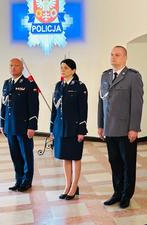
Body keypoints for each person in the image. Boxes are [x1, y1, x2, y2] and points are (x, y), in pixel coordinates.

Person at [98, 46, 143, 208]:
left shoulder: (133, 77)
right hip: (109, 129)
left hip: (125, 129)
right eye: (111, 54)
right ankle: (117, 193)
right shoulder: (105, 76)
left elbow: (137, 105)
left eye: (117, 55)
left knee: (127, 163)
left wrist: (134, 128)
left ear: (125, 58)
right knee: (114, 162)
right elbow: (101, 103)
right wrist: (100, 125)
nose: (113, 57)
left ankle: (126, 195)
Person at [50, 59, 88, 200]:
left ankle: (74, 187)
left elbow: (83, 110)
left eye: (65, 68)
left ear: (73, 70)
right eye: (61, 67)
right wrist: (52, 129)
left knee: (75, 158)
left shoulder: (80, 86)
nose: (62, 70)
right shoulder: (58, 86)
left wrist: (81, 130)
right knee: (65, 157)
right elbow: (54, 110)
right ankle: (67, 185)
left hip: (74, 128)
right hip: (60, 128)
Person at [0, 58, 39, 192]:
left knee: (26, 155)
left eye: (16, 66)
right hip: (10, 126)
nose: (13, 68)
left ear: (22, 68)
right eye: (11, 65)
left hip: (23, 127)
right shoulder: (7, 83)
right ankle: (18, 179)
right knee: (15, 155)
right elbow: (3, 105)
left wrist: (32, 126)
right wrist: (2, 123)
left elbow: (34, 107)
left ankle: (27, 181)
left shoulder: (29, 84)